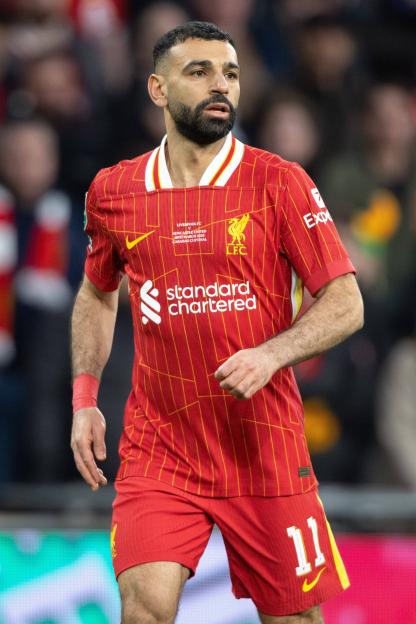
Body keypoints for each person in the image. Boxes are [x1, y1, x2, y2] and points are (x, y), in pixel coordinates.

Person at [70, 21, 364, 624]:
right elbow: (97, 294)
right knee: (143, 610)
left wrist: (272, 353)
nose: (220, 85)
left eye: (230, 72)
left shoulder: (278, 181)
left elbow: (345, 302)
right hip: (161, 448)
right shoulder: (114, 190)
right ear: (157, 89)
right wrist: (84, 398)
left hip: (265, 449)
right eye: (198, 71)